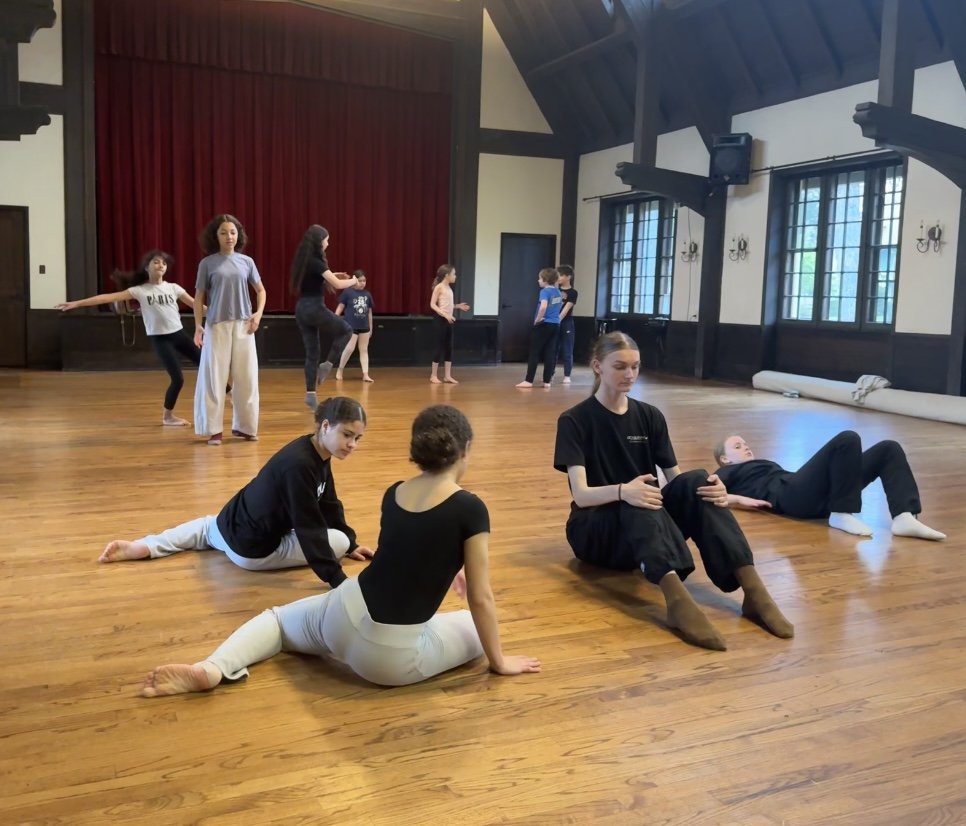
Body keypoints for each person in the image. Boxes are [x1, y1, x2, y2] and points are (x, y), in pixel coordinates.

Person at [139, 404, 541, 696]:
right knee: (471, 629)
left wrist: (445, 565)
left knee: (276, 621)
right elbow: (482, 598)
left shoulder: (395, 492)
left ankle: (213, 668)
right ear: (466, 449)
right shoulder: (470, 507)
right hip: (386, 658)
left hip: (342, 611)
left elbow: (400, 551)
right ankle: (213, 670)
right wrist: (499, 662)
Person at [553, 332, 794, 651]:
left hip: (646, 524)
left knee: (698, 480)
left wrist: (720, 493)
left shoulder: (650, 416)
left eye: (635, 367)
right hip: (596, 531)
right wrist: (625, 491)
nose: (629, 375)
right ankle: (677, 601)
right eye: (620, 366)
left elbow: (677, 481)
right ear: (597, 367)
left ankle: (753, 591)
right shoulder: (575, 420)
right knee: (640, 495)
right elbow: (582, 495)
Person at [99, 396, 374, 586]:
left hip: (228, 523)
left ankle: (145, 546)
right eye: (347, 435)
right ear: (325, 426)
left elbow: (328, 503)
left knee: (206, 526)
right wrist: (337, 578)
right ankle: (152, 546)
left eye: (357, 438)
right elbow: (309, 526)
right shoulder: (300, 465)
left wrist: (353, 543)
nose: (352, 445)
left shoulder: (314, 450)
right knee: (333, 540)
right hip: (254, 551)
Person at [55, 250, 204, 427]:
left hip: (179, 335)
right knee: (177, 379)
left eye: (163, 263)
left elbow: (197, 305)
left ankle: (231, 395)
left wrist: (223, 313)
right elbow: (106, 297)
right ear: (146, 267)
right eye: (156, 262)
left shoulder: (174, 288)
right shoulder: (139, 291)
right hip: (160, 339)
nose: (160, 265)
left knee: (206, 364)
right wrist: (77, 303)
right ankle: (168, 417)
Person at [713, 432, 946, 540]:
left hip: (813, 493)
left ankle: (904, 516)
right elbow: (702, 491)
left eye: (745, 443)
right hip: (790, 496)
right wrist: (738, 500)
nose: (745, 446)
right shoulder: (727, 471)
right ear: (725, 459)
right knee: (847, 439)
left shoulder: (759, 464)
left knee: (889, 448)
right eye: (737, 445)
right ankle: (842, 512)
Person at [193, 214, 266, 445]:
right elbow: (198, 296)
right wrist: (197, 325)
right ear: (216, 236)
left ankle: (245, 427)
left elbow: (261, 291)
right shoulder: (207, 263)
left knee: (247, 377)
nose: (229, 237)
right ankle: (214, 430)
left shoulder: (247, 262)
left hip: (244, 325)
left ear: (238, 235)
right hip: (217, 325)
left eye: (232, 232)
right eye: (223, 232)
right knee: (214, 377)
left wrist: (258, 314)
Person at [290, 225, 359, 409]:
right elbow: (336, 284)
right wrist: (353, 281)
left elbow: (321, 278)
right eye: (327, 240)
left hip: (301, 309)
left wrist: (334, 275)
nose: (328, 243)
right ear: (320, 242)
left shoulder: (305, 260)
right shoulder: (316, 261)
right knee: (346, 330)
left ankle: (310, 395)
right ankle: (328, 365)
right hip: (314, 307)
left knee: (312, 353)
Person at [516, 268, 563, 389]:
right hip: (555, 325)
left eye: (540, 278)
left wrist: (537, 319)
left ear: (546, 280)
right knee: (550, 353)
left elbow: (543, 307)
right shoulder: (558, 292)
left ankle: (528, 380)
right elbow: (558, 306)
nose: (538, 280)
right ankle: (547, 381)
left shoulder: (544, 292)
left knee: (534, 352)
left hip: (544, 324)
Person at [429, 264, 471, 384]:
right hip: (440, 320)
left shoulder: (449, 288)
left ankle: (447, 376)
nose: (455, 276)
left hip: (449, 320)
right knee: (438, 346)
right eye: (453, 274)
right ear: (447, 275)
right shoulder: (439, 287)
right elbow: (432, 304)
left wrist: (457, 306)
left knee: (449, 347)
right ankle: (433, 375)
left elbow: (447, 304)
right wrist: (445, 314)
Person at [334, 269, 375, 382]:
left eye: (364, 281)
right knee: (349, 348)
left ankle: (365, 374)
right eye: (360, 280)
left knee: (364, 349)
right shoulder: (347, 292)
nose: (362, 283)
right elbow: (340, 307)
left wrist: (370, 327)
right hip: (351, 325)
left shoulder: (367, 294)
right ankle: (340, 370)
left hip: (364, 326)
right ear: (354, 280)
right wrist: (334, 319)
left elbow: (369, 312)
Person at [554, 265, 578, 385]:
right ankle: (550, 373)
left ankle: (567, 375)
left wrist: (557, 320)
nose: (558, 277)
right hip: (554, 322)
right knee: (553, 348)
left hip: (566, 323)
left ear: (568, 277)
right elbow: (552, 307)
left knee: (567, 349)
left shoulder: (573, 293)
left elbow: (566, 309)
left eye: (561, 275)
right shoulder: (555, 291)